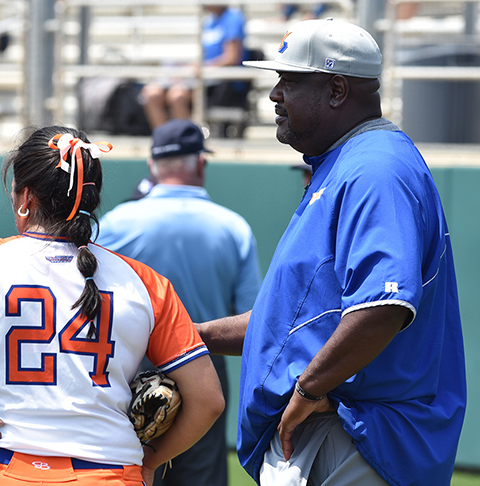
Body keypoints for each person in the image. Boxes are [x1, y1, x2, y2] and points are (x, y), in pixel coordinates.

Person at [0, 125, 225, 486]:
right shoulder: (145, 282)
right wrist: (151, 461)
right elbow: (208, 399)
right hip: (109, 471)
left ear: (25, 197)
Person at [197, 18, 466, 486]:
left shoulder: (377, 168)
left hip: (360, 437)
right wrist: (194, 336)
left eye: (290, 80)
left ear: (338, 90)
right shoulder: (347, 163)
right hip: (339, 431)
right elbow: (293, 326)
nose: (274, 95)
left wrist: (309, 385)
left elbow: (383, 306)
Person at [97, 118, 262, 486]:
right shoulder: (232, 227)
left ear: (152, 166)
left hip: (128, 365)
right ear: (201, 163)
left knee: (128, 468)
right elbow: (255, 317)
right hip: (204, 365)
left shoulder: (116, 223)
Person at [141, 5, 246, 129]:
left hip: (219, 82)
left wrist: (203, 67)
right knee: (152, 93)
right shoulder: (209, 20)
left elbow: (232, 58)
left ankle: (186, 141)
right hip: (199, 76)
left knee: (177, 96)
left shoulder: (233, 17)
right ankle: (164, 140)